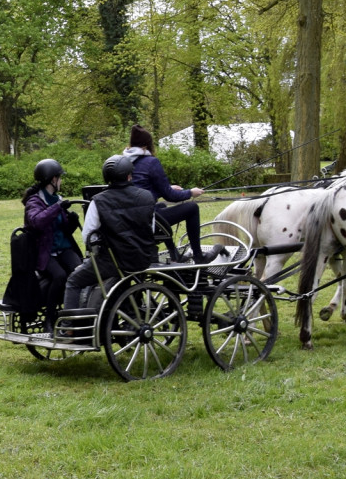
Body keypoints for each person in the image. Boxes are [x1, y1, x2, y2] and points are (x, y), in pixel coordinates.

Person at [62, 155, 157, 313]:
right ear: (129, 175)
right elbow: (150, 229)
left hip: (113, 262)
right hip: (142, 259)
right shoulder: (147, 197)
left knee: (74, 281)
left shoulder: (98, 201)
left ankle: (68, 328)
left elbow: (88, 237)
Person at [123, 124, 212, 264]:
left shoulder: (122, 161)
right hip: (145, 221)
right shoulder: (151, 162)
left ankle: (174, 254)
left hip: (127, 218)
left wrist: (167, 187)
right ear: (146, 147)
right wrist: (190, 193)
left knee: (162, 206)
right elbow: (171, 196)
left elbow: (139, 189)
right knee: (192, 208)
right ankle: (199, 257)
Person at [21, 158, 83, 335]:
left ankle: (75, 316)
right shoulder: (34, 201)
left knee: (80, 272)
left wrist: (72, 221)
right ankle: (50, 318)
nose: (61, 181)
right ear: (52, 180)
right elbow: (37, 222)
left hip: (63, 248)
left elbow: (63, 231)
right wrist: (57, 208)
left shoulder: (57, 198)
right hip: (44, 252)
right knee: (59, 276)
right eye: (59, 178)